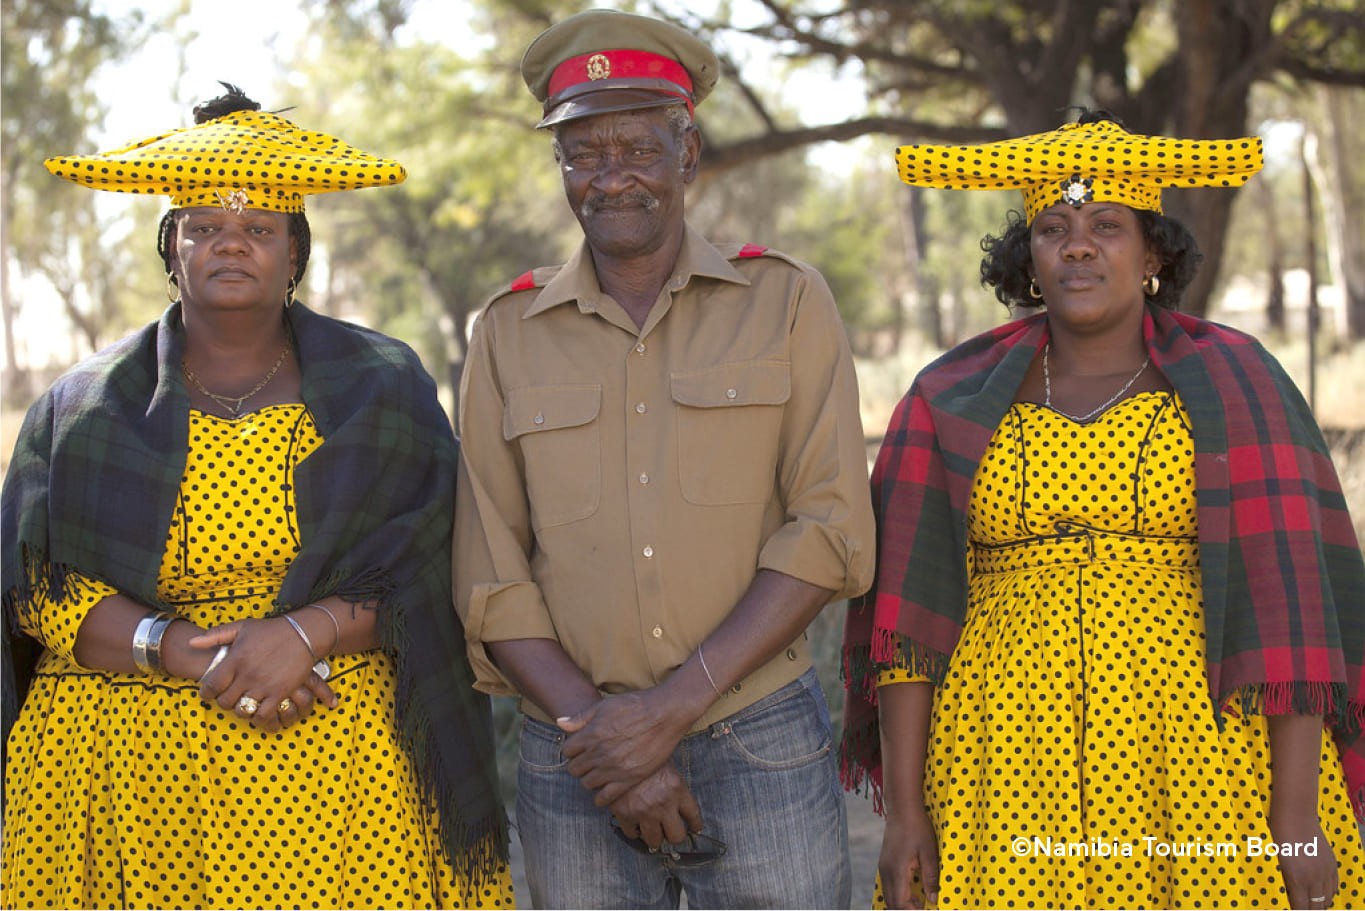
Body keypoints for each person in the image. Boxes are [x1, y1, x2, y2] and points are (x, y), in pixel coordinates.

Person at [1, 84, 513, 909]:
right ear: (170, 249)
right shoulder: (81, 405)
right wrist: (186, 648)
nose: (229, 245)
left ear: (294, 252)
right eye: (203, 227)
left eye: (258, 229)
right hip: (127, 774)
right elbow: (34, 589)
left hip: (340, 763)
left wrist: (301, 634)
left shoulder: (381, 385)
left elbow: (438, 560)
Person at [841, 109, 1365, 910]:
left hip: (1204, 760)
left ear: (1152, 251)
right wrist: (905, 815)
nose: (1077, 244)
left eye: (1106, 225)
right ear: (1028, 256)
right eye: (1052, 225)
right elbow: (908, 634)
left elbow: (1287, 617)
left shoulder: (1238, 384)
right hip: (999, 757)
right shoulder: (947, 397)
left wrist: (1294, 820)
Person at [451, 8, 876, 909]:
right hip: (575, 757)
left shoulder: (785, 302)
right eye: (582, 155)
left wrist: (666, 712)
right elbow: (491, 574)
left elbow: (829, 529)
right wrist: (606, 740)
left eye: (638, 149)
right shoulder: (504, 333)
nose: (610, 179)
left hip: (756, 733)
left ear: (688, 153)